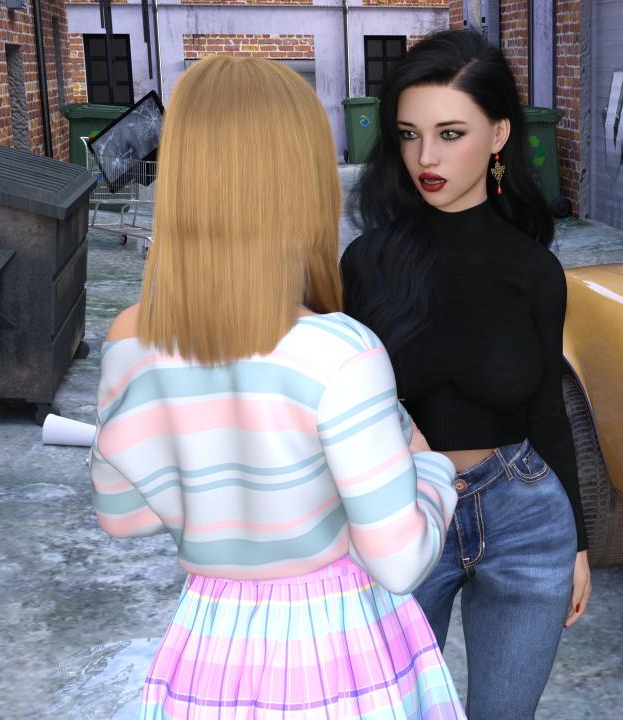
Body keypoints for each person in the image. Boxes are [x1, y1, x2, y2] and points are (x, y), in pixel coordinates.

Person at [89, 55, 465, 720]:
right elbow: (401, 561)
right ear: (300, 185)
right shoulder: (340, 352)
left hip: (209, 643)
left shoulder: (130, 338)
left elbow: (125, 517)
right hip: (338, 648)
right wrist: (433, 470)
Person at [339, 30, 591, 719]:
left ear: (499, 135)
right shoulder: (366, 264)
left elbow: (547, 408)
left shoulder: (534, 270)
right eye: (409, 135)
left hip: (525, 517)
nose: (426, 157)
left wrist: (577, 543)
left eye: (450, 133)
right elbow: (347, 413)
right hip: (401, 513)